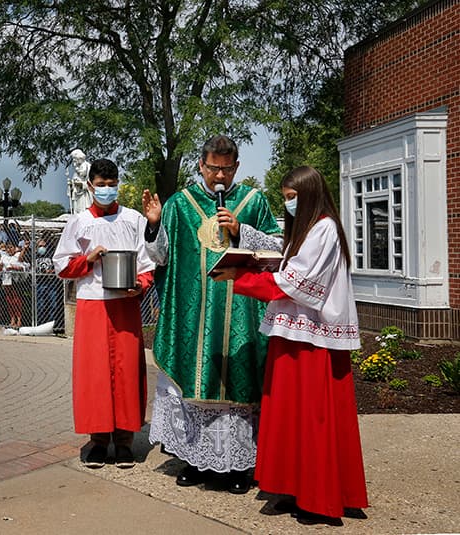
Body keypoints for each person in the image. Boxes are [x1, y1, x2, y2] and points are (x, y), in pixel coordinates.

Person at [211, 166, 367, 525]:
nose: (288, 204)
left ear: (311, 196)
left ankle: (318, 496)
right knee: (288, 416)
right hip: (293, 335)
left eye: (293, 198)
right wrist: (248, 251)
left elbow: (296, 282)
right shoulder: (308, 228)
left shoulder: (325, 229)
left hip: (314, 340)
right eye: (285, 197)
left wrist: (243, 277)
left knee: (313, 418)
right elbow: (282, 253)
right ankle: (292, 486)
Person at [142, 135, 281, 494]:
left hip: (241, 312)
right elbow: (160, 258)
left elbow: (277, 247)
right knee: (195, 386)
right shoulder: (180, 204)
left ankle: (239, 466)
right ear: (201, 166)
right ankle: (194, 459)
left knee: (238, 387)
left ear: (236, 167)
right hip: (194, 316)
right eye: (212, 168)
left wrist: (241, 231)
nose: (218, 176)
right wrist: (155, 224)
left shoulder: (254, 202)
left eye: (225, 168)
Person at [53, 158, 155, 469]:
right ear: (90, 186)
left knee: (127, 371)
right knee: (94, 373)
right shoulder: (79, 222)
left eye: (112, 185)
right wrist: (88, 258)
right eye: (101, 186)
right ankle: (98, 440)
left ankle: (124, 441)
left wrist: (140, 285)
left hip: (124, 303)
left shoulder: (134, 220)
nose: (107, 190)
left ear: (118, 185)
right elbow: (62, 266)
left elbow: (147, 263)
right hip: (92, 302)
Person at [68, 149, 93, 214]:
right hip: (77, 194)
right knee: (78, 211)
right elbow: (74, 180)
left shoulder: (88, 167)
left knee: (84, 212)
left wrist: (82, 184)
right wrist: (71, 184)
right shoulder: (76, 168)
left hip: (85, 195)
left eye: (74, 158)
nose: (74, 160)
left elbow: (92, 183)